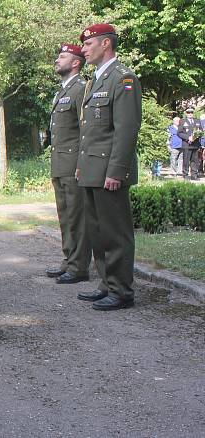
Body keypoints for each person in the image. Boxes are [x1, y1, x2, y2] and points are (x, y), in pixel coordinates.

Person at [76, 23, 142, 311]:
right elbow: (89, 130)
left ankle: (122, 290)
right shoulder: (95, 80)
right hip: (91, 169)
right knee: (97, 233)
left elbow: (126, 130)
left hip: (109, 171)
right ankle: (107, 283)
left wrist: (116, 171)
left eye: (89, 44)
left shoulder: (123, 78)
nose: (84, 49)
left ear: (105, 44)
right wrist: (81, 165)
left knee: (115, 234)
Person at [45, 44, 92, 284]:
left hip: (73, 163)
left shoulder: (80, 90)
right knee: (65, 215)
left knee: (77, 216)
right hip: (60, 163)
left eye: (62, 57)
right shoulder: (63, 90)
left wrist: (81, 163)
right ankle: (69, 259)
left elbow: (85, 130)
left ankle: (79, 266)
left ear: (75, 62)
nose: (57, 60)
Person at [177, 108, 200, 180]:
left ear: (193, 113)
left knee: (195, 160)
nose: (190, 114)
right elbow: (179, 133)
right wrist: (188, 137)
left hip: (195, 144)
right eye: (188, 112)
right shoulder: (182, 121)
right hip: (187, 144)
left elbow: (201, 131)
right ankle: (185, 174)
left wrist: (197, 135)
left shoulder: (197, 121)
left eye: (191, 112)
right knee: (186, 160)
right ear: (186, 113)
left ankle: (194, 175)